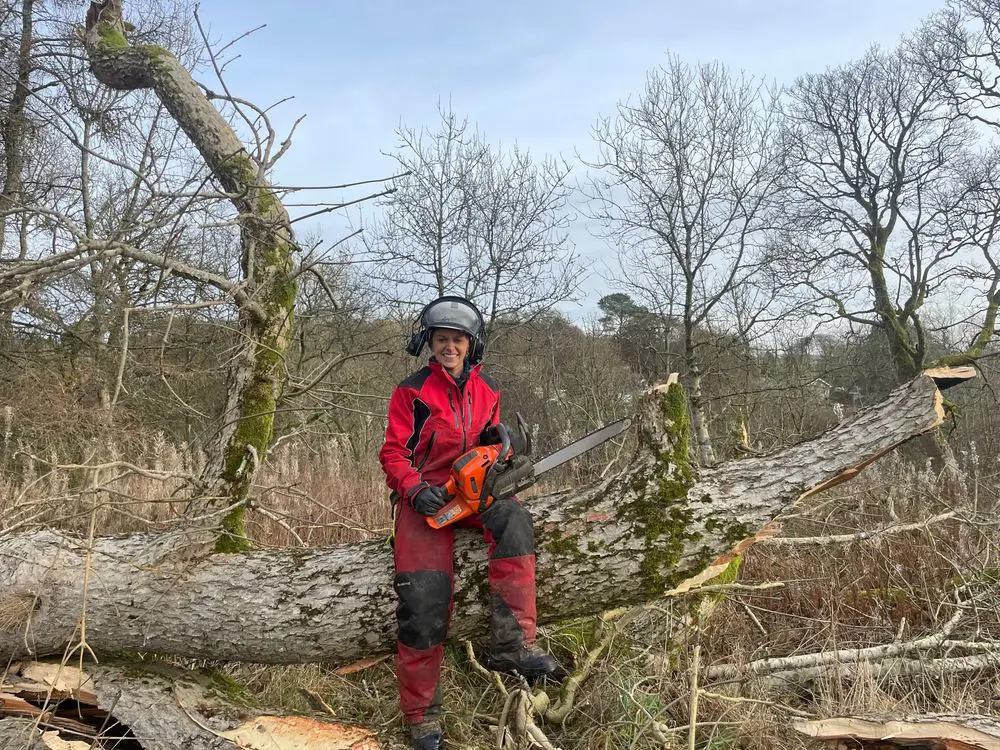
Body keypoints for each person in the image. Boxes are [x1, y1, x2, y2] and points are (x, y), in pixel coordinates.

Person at [378, 295, 559, 750]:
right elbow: (394, 452)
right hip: (426, 499)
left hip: (474, 493)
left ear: (470, 345)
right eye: (442, 339)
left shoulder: (488, 390)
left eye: (457, 339)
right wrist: (415, 489)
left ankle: (512, 643)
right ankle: (422, 715)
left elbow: (490, 445)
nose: (449, 347)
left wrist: (504, 452)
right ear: (430, 342)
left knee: (515, 517)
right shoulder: (412, 391)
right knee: (422, 601)